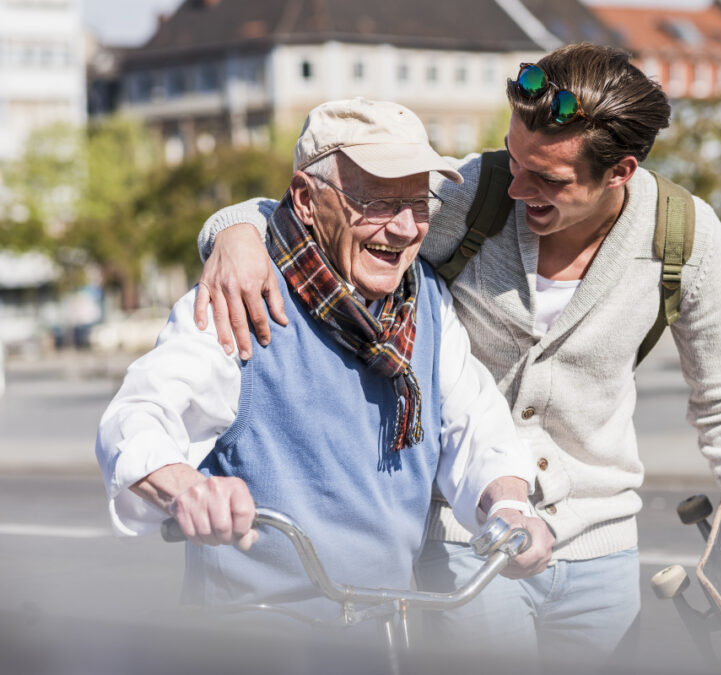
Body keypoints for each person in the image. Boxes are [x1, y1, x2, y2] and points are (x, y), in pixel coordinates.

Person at [193, 43, 721, 661]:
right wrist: (235, 232)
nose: (517, 185)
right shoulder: (471, 195)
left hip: (603, 544)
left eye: (548, 179)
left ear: (621, 172)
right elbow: (323, 204)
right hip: (466, 535)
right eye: (514, 159)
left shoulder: (685, 239)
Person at [94, 98, 553, 624]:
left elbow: (474, 427)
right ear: (307, 200)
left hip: (384, 624)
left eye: (418, 202)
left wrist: (510, 507)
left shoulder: (423, 298)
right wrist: (190, 490)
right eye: (378, 202)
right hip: (254, 632)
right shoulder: (244, 294)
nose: (405, 227)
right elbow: (136, 418)